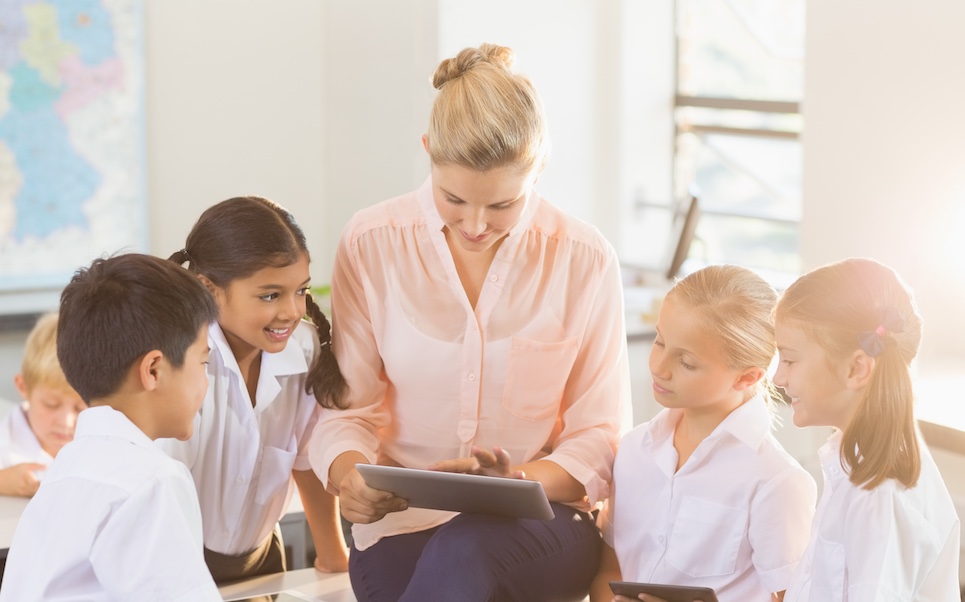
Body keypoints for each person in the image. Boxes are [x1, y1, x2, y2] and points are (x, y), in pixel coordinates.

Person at [309, 43, 631, 602]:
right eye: (453, 199)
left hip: (542, 524)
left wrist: (521, 481)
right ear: (429, 151)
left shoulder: (584, 258)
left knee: (464, 552)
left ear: (539, 168)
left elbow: (600, 436)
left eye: (503, 206)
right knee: (439, 570)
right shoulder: (371, 243)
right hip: (400, 523)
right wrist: (349, 476)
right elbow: (348, 412)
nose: (476, 225)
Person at [589, 265, 817, 602]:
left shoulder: (776, 482)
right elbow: (609, 570)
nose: (658, 367)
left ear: (747, 378)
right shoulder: (634, 450)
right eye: (659, 341)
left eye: (686, 362)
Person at [0, 253, 221, 600]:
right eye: (203, 361)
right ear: (153, 370)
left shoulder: (66, 470)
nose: (205, 382)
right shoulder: (151, 480)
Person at [160, 196, 350, 583]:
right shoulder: (178, 361)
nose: (292, 311)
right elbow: (159, 494)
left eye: (300, 290)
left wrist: (334, 556)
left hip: (261, 563)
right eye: (270, 295)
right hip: (176, 568)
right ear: (209, 290)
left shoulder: (305, 348)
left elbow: (305, 461)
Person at [774, 258, 960, 601]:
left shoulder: (880, 496)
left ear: (857, 368)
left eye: (789, 359)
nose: (778, 378)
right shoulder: (853, 465)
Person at [0, 312, 85, 497]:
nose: (67, 422)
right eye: (51, 404)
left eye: (80, 407)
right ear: (24, 387)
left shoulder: (104, 438)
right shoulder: (5, 440)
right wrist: (3, 481)